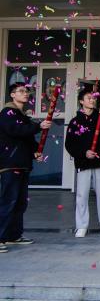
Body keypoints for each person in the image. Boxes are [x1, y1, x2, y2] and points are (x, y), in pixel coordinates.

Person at [0, 82, 51, 253]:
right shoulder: (7, 113)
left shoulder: (21, 115)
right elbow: (16, 130)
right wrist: (38, 126)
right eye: (21, 91)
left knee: (20, 202)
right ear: (12, 95)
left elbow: (27, 138)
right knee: (9, 201)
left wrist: (36, 151)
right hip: (10, 164)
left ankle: (13, 235)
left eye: (27, 91)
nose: (25, 93)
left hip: (22, 164)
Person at [65, 89, 100, 238]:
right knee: (82, 194)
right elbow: (70, 144)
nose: (92, 100)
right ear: (81, 101)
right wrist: (84, 152)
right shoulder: (75, 122)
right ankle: (81, 225)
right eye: (89, 98)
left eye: (94, 98)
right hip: (83, 162)